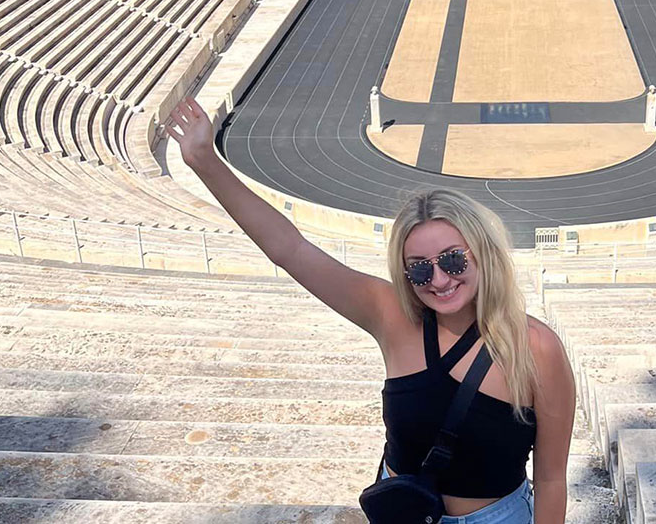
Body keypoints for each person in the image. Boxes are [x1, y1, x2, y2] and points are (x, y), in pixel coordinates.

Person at [164, 97, 575, 523]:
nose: (439, 280)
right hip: (404, 512)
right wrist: (204, 161)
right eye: (419, 269)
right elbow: (290, 249)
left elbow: (550, 479)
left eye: (453, 259)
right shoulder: (392, 314)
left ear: (482, 254)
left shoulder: (537, 348)